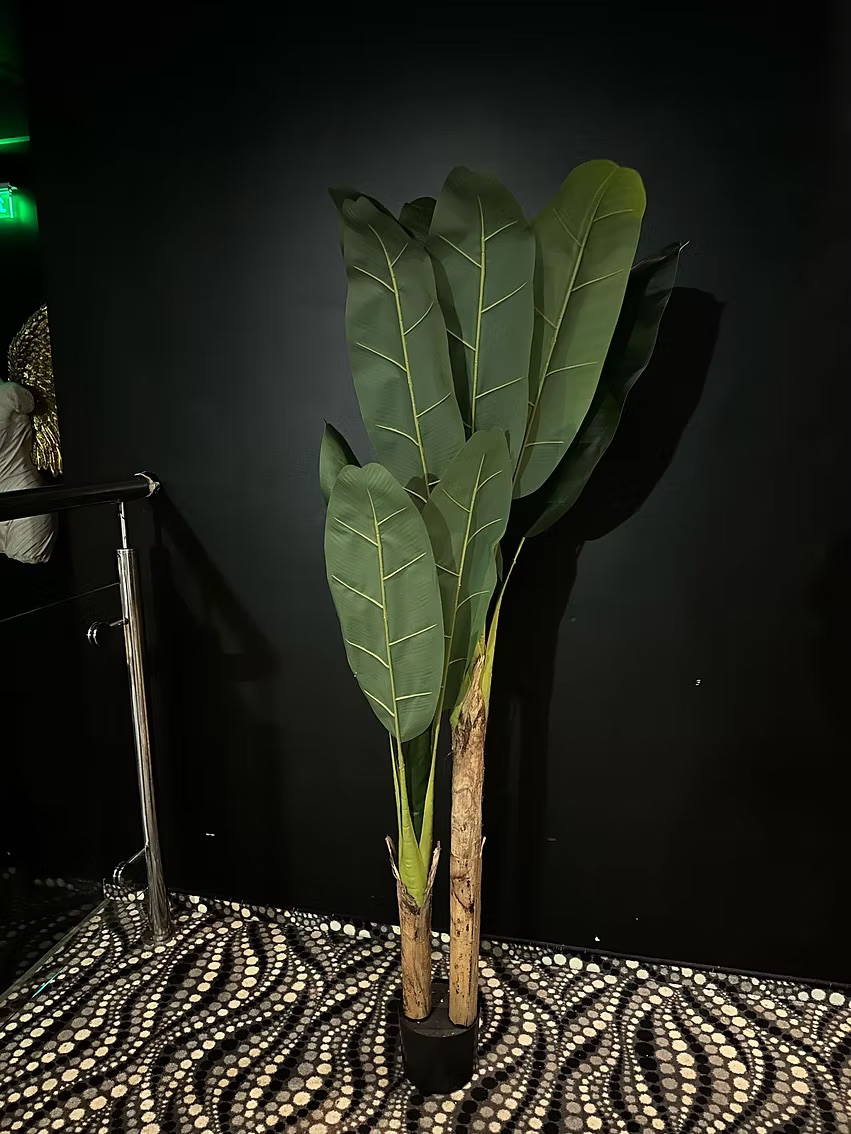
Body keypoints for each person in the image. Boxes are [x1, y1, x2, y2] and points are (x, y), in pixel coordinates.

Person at [0, 379, 55, 564]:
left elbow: (30, 402)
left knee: (28, 570)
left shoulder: (9, 394)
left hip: (24, 498)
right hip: (5, 502)